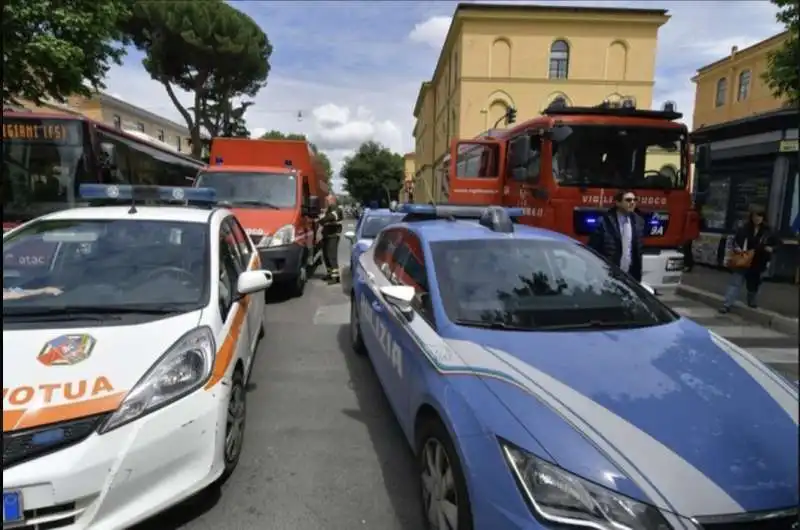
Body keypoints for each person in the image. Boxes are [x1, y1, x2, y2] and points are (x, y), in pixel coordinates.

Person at [720, 205, 777, 313]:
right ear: (751, 217)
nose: (757, 219)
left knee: (753, 283)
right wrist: (738, 250)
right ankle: (726, 304)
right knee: (735, 282)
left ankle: (751, 300)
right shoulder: (744, 228)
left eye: (759, 216)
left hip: (758, 261)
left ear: (763, 218)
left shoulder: (768, 231)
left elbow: (777, 244)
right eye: (755, 216)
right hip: (743, 259)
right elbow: (735, 241)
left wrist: (771, 249)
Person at [587, 190, 646, 281]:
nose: (632, 203)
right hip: (609, 274)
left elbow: (637, 250)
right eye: (628, 200)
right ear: (618, 203)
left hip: (630, 275)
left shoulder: (638, 222)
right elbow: (593, 249)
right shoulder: (604, 222)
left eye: (635, 200)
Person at [318, 194, 344, 284]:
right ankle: (329, 274)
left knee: (331, 256)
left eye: (327, 200)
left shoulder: (336, 209)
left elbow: (331, 217)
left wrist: (320, 221)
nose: (326, 202)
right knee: (326, 255)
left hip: (333, 236)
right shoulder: (329, 209)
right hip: (327, 235)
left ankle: (335, 277)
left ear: (332, 200)